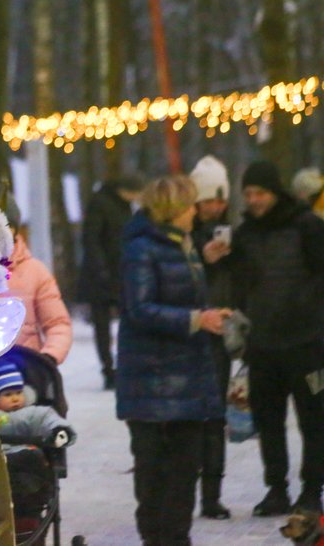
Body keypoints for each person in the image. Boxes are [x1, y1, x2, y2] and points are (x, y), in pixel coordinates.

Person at [204, 160, 324, 516]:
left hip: (310, 345)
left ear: (275, 192)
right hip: (263, 345)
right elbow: (234, 283)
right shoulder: (245, 234)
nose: (254, 200)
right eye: (249, 194)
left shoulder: (309, 227)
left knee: (314, 419)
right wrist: (215, 261)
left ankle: (312, 490)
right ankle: (276, 489)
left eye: (260, 193)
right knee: (268, 422)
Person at [118, 174, 229, 546]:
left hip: (185, 377)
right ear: (174, 209)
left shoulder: (183, 244)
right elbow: (140, 308)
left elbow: (175, 292)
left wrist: (206, 265)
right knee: (155, 477)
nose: (197, 212)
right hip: (151, 381)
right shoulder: (141, 249)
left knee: (183, 474)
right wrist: (197, 320)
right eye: (191, 204)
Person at [0, 357, 76, 540]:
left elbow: (49, 420)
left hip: (23, 463)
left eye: (18, 392)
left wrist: (59, 431)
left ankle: (26, 522)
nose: (15, 398)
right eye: (7, 394)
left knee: (31, 461)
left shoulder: (33, 413)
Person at [188, 155, 234, 520]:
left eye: (220, 200)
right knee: (191, 419)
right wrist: (203, 260)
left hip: (219, 337)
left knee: (215, 417)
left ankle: (212, 495)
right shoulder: (183, 237)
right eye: (208, 200)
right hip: (189, 336)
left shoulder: (232, 235)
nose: (214, 207)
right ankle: (189, 491)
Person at [77, 173, 145, 389]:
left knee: (121, 322)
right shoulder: (102, 204)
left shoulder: (122, 206)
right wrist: (102, 269)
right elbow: (92, 238)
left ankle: (123, 366)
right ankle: (109, 369)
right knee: (103, 325)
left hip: (119, 272)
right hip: (103, 275)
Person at [1, 200, 72, 364]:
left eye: (6, 225)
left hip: (25, 370)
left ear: (14, 229)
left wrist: (48, 357)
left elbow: (57, 323)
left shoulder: (35, 272)